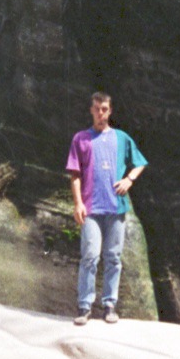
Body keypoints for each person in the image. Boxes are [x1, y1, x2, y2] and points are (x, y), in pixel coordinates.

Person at [65, 93, 147, 325]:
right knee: (90, 256)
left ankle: (110, 305)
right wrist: (78, 203)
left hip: (116, 207)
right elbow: (75, 174)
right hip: (91, 208)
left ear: (110, 111)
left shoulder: (121, 138)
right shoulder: (81, 139)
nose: (101, 113)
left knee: (113, 257)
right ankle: (84, 307)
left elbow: (140, 162)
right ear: (91, 110)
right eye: (97, 109)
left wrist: (129, 179)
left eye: (105, 109)